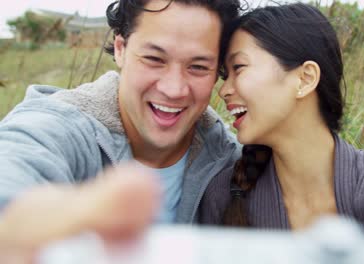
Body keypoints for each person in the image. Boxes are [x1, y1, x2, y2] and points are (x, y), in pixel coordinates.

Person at [198, 3, 364, 252]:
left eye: (239, 68)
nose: (223, 91)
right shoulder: (223, 194)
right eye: (225, 76)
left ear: (305, 79)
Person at [0, 0, 241, 259]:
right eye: (154, 59)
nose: (174, 89)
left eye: (198, 67)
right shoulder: (57, 125)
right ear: (120, 49)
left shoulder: (230, 157)